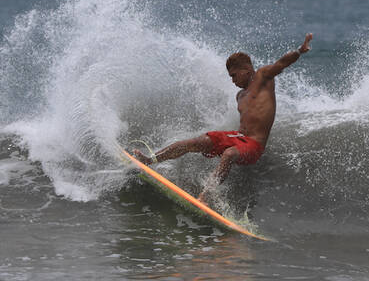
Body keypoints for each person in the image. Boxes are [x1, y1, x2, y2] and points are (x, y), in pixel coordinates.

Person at [132, 33, 313, 199]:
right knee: (194, 142)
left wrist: (299, 51)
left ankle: (206, 196)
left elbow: (282, 63)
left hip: (254, 145)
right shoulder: (240, 96)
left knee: (229, 154)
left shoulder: (263, 77)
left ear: (247, 70)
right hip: (238, 137)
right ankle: (150, 160)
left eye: (234, 75)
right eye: (230, 77)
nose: (232, 80)